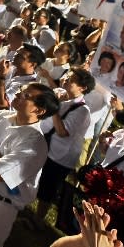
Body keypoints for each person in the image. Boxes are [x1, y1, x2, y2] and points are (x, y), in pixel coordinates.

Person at [0, 83, 60, 247]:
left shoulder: (35, 144)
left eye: (26, 95)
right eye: (21, 91)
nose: (17, 94)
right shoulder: (3, 116)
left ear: (39, 110)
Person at [34, 68, 95, 224]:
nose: (66, 78)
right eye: (67, 75)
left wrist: (54, 106)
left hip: (59, 156)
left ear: (83, 88)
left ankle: (38, 221)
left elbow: (62, 131)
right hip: (44, 144)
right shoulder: (60, 94)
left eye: (72, 79)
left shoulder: (83, 111)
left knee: (47, 189)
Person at [0, 44, 45, 117]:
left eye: (21, 56)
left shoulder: (30, 85)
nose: (15, 56)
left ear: (33, 64)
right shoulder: (11, 68)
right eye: (17, 53)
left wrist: (2, 77)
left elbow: (2, 104)